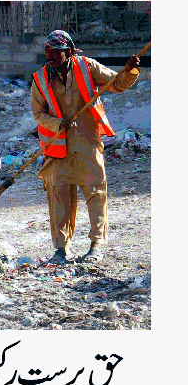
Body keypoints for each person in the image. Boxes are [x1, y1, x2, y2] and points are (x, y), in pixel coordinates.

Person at [30, 30, 141, 264]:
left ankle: (96, 245)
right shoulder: (40, 78)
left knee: (95, 193)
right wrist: (58, 123)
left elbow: (117, 84)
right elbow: (38, 113)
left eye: (55, 51)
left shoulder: (87, 67)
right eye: (47, 51)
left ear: (69, 51)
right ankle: (61, 249)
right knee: (59, 198)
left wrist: (129, 70)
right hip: (57, 148)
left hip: (87, 142)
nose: (49, 55)